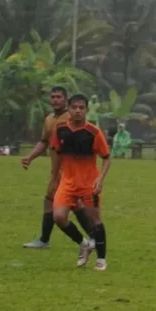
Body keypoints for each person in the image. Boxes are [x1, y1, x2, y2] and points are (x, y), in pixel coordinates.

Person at [21, 87, 94, 249]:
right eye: (53, 97)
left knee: (64, 203)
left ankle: (47, 240)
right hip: (56, 171)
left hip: (69, 171)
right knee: (58, 202)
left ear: (65, 100)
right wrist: (30, 157)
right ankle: (46, 240)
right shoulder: (49, 119)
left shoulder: (71, 118)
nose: (55, 100)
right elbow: (44, 142)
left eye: (59, 97)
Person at [49, 94, 111, 272]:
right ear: (68, 109)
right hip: (67, 183)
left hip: (89, 184)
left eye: (81, 108)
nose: (77, 111)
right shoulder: (60, 129)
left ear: (87, 110)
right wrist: (54, 178)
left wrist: (100, 179)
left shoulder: (93, 132)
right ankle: (84, 244)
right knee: (59, 217)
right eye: (74, 107)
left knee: (95, 220)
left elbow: (107, 158)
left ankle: (101, 259)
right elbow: (57, 154)